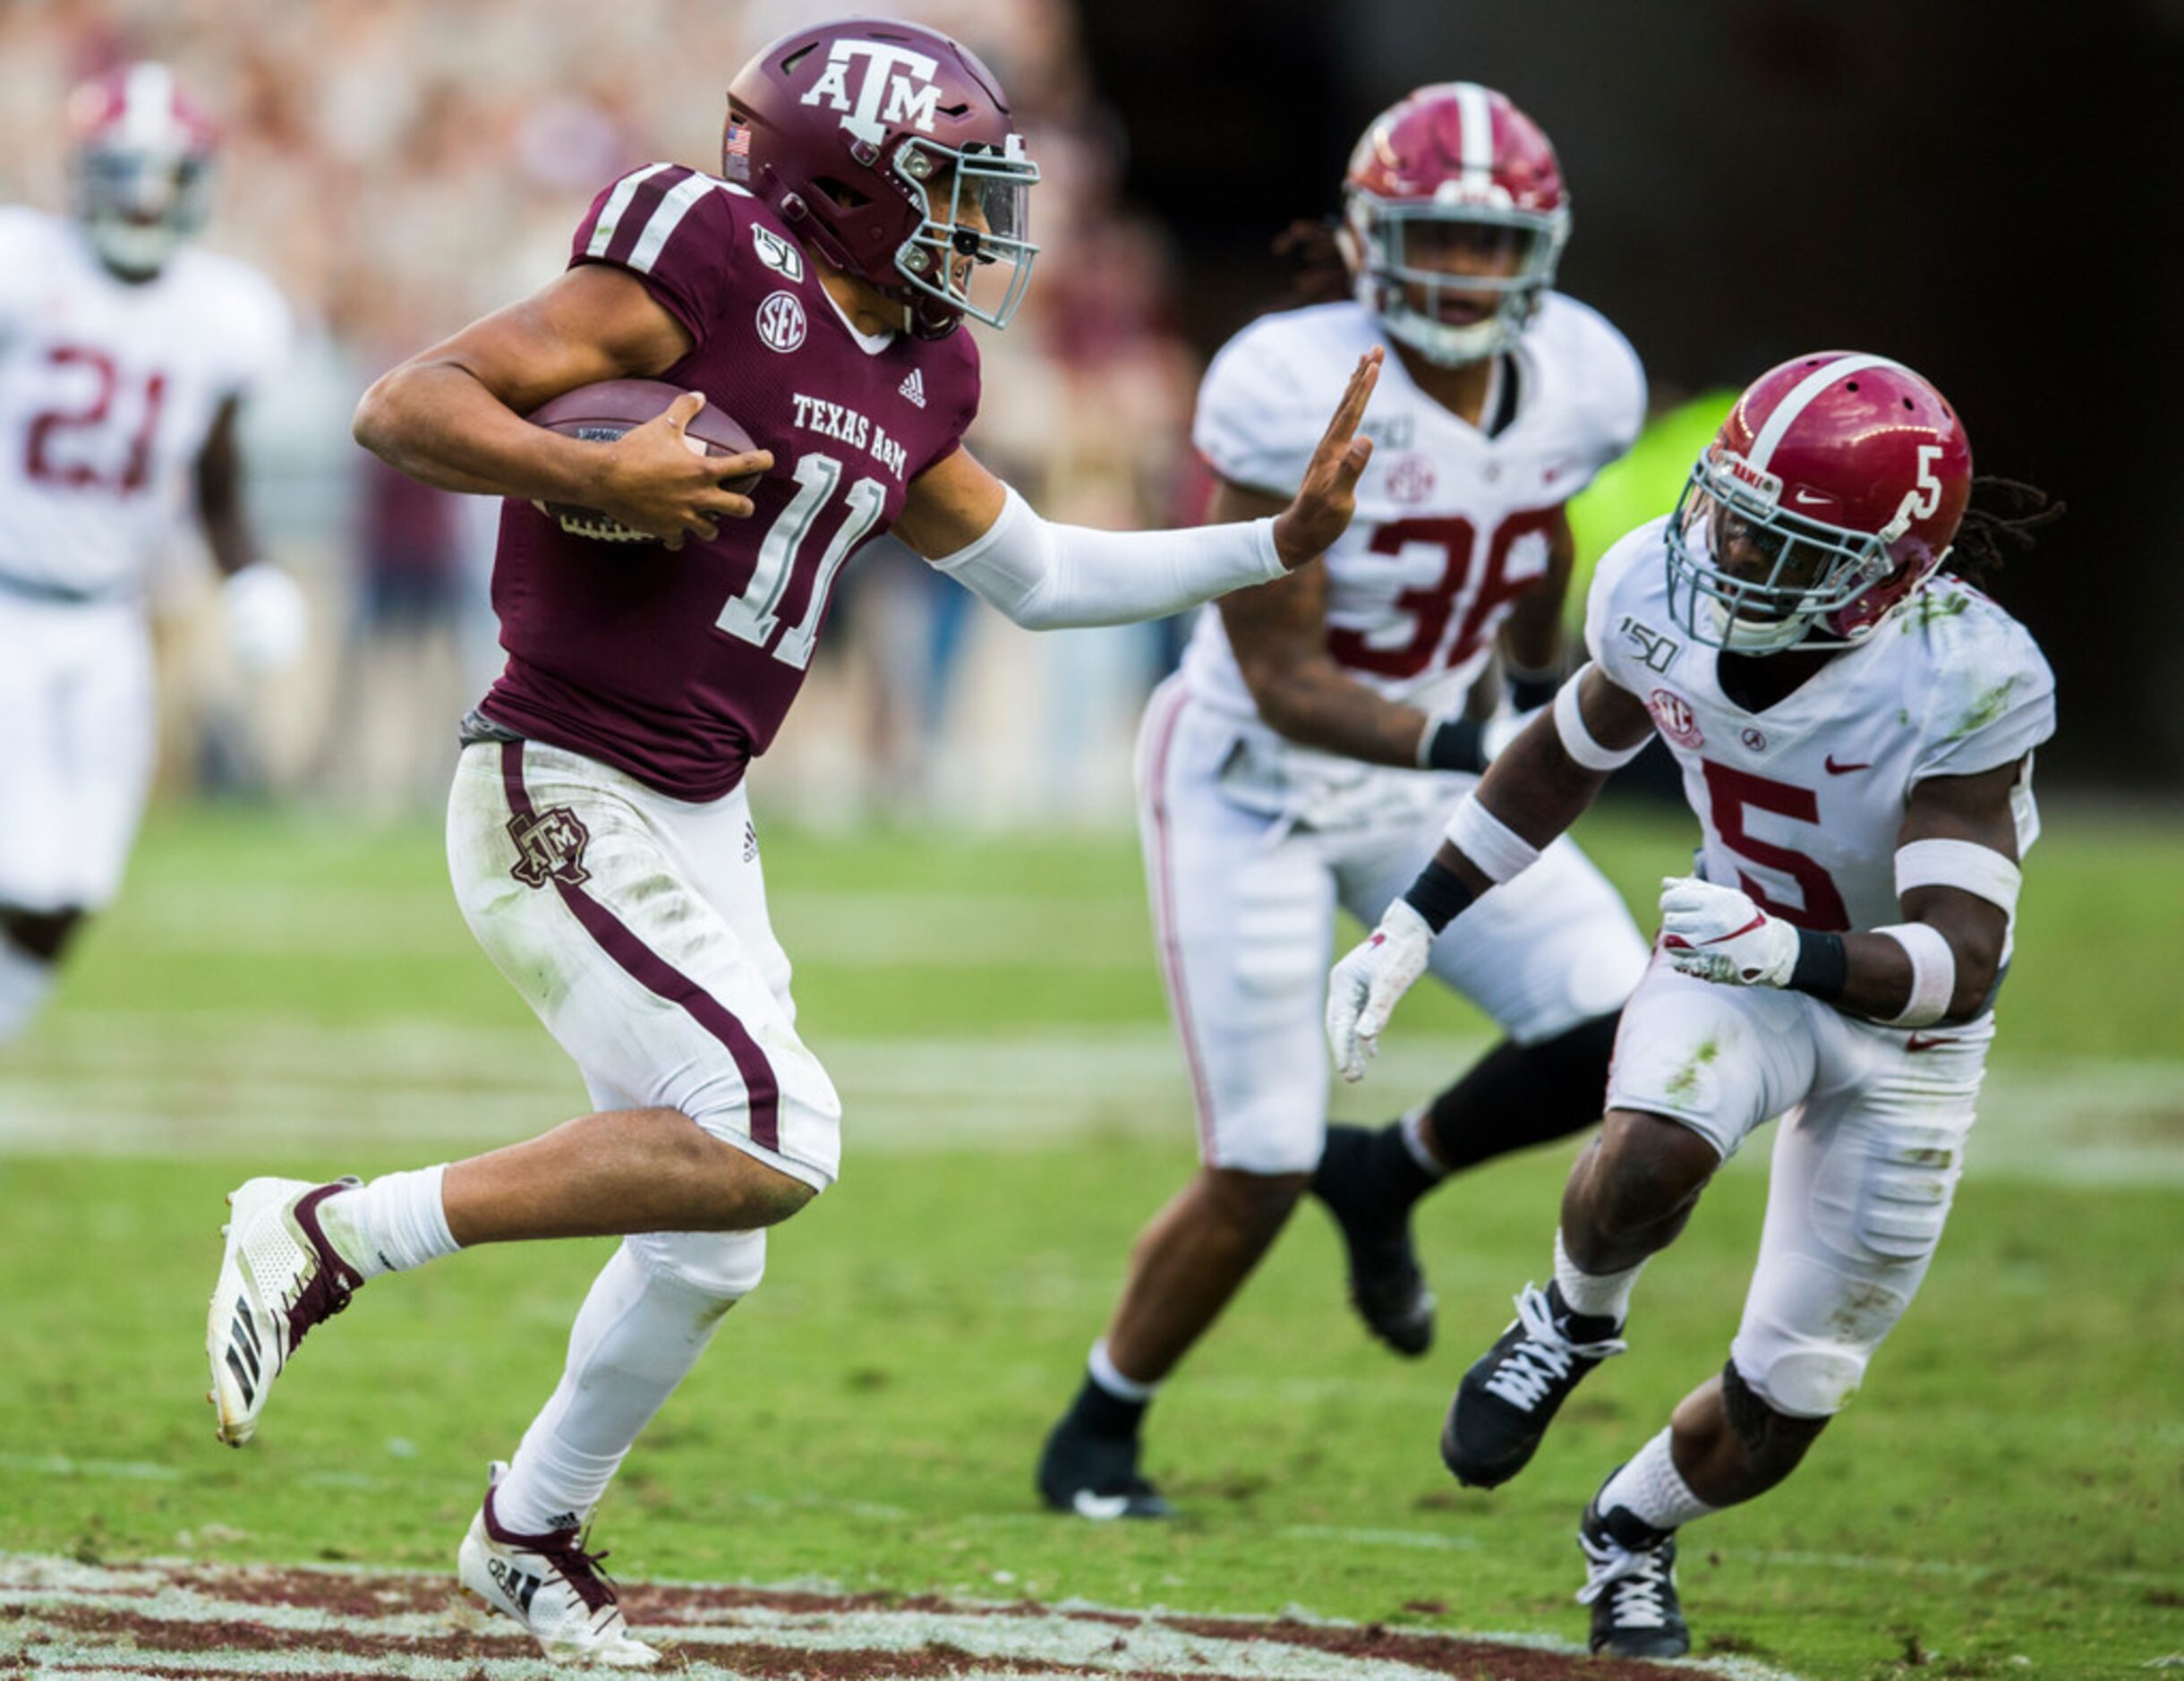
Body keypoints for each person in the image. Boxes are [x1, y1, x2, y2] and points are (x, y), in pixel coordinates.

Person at [203, 17, 1381, 1667]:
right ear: (841, 183)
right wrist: (579, 461)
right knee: (773, 1124)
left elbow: (1035, 575)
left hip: (698, 802)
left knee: (716, 1239)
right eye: (951, 189)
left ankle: (526, 1529)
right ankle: (331, 1226)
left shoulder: (923, 363)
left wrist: (1271, 543)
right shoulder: (702, 260)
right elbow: (408, 405)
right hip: (560, 774)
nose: (986, 228)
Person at [1324, 351, 2057, 1657]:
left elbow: (1962, 958)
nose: (1726, 554)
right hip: (1732, 958)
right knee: (1651, 1152)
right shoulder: (1659, 586)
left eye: (1781, 547)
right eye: (1731, 510)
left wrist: (1797, 951)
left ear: (1882, 574)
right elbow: (1566, 749)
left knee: (1792, 1394)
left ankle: (1630, 1525)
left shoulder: (1966, 675)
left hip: (1902, 1022)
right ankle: (1566, 1319)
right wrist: (1418, 916)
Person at [1033, 81, 1651, 1521]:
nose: (1468, 273)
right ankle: (1097, 1431)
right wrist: (1500, 744)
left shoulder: (1587, 376)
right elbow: (1290, 674)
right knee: (1254, 1160)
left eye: (1496, 247)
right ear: (1372, 239)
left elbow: (1539, 519)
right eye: (1439, 238)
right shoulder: (1283, 375)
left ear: (1542, 253)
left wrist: (1532, 673)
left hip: (1435, 760)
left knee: (1627, 1028)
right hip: (1253, 774)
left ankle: (1386, 1175)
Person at [0, 63, 299, 1051]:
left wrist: (247, 571)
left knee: (75, 883)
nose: (143, 197)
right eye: (124, 171)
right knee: (18, 865)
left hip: (107, 621)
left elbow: (216, 478)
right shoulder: (20, 265)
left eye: (165, 176)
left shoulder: (225, 315)